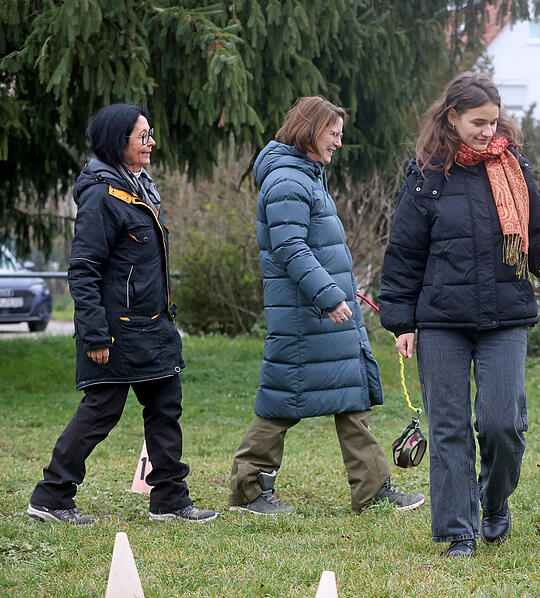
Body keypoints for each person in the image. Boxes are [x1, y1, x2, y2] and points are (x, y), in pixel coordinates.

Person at [378, 72, 540, 557]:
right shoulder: (426, 176)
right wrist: (402, 322)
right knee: (449, 428)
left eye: (493, 121)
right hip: (442, 319)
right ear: (452, 118)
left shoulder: (514, 168)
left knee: (503, 423)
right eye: (477, 122)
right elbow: (403, 253)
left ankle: (496, 500)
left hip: (506, 315)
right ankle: (457, 531)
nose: (488, 131)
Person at [228, 96, 424, 515]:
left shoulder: (308, 177)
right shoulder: (288, 182)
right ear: (310, 131)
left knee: (352, 396)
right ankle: (248, 491)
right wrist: (330, 295)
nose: (337, 142)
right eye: (333, 134)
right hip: (305, 317)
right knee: (283, 401)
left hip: (323, 315)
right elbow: (290, 248)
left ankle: (372, 491)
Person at [27, 104, 217, 524]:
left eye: (151, 133)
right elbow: (84, 269)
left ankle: (169, 499)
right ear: (119, 143)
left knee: (166, 404)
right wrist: (94, 335)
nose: (152, 143)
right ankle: (51, 496)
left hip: (152, 328)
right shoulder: (101, 195)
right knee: (101, 411)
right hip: (115, 332)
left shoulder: (140, 188)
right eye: (143, 136)